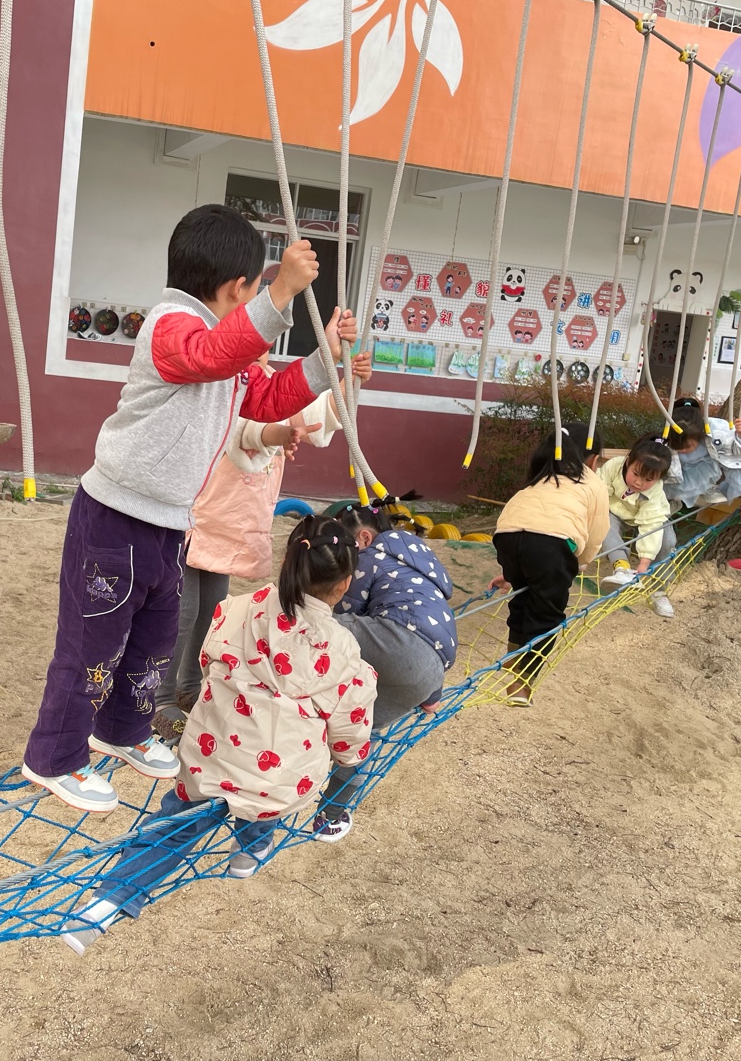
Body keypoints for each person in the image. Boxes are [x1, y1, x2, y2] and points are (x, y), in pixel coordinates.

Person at [21, 203, 364, 812]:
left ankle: (122, 730)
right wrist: (283, 292)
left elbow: (267, 399)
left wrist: (325, 355)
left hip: (172, 522)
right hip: (115, 518)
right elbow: (211, 355)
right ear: (238, 288)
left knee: (153, 641)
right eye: (255, 292)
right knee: (92, 645)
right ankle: (55, 757)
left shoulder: (228, 353)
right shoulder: (171, 326)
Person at [59, 515, 377, 954]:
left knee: (174, 827)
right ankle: (251, 851)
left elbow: (206, 661)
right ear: (344, 585)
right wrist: (348, 757)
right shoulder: (343, 649)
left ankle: (103, 905)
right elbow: (350, 726)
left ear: (287, 560)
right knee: (267, 785)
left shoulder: (238, 608)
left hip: (211, 755)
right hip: (277, 780)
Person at [153, 368, 360, 734]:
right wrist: (278, 434)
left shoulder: (270, 382)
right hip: (199, 512)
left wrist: (348, 382)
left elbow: (315, 415)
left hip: (231, 522)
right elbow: (241, 431)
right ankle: (159, 697)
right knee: (182, 611)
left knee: (212, 609)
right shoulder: (222, 376)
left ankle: (188, 686)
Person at [310, 500, 456, 841]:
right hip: (433, 670)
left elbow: (344, 606)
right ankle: (331, 816)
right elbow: (434, 638)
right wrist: (431, 696)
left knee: (319, 621)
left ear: (363, 538)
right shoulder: (421, 562)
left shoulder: (368, 557)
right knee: (364, 732)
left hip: (398, 641)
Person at [490, 425, 609, 704]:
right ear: (593, 459)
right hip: (551, 544)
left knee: (522, 596)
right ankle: (522, 684)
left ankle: (514, 654)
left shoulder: (541, 474)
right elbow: (597, 532)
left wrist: (511, 573)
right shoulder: (590, 480)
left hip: (506, 537)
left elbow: (524, 526)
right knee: (546, 613)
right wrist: (580, 563)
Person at [597, 437, 677, 618]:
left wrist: (644, 562)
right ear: (628, 461)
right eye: (636, 474)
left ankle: (658, 591)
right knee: (604, 522)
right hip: (614, 509)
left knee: (667, 541)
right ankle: (622, 568)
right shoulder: (614, 467)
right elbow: (598, 491)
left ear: (658, 479)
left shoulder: (655, 492)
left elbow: (651, 523)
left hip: (650, 516)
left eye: (648, 479)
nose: (639, 483)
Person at [664, 398, 741, 508]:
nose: (682, 451)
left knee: (736, 458)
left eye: (687, 447)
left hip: (711, 468)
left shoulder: (717, 431)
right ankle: (675, 500)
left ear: (699, 436)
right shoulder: (666, 437)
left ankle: (713, 489)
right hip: (684, 472)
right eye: (677, 447)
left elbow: (740, 451)